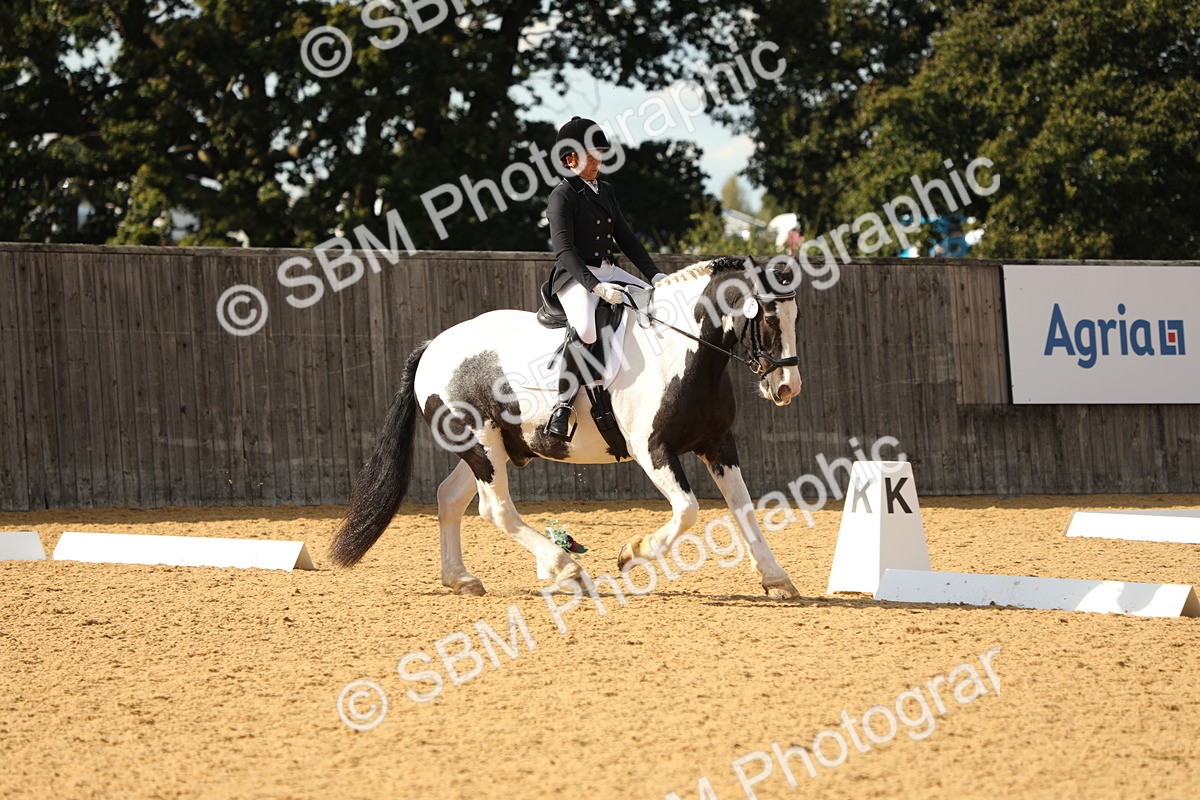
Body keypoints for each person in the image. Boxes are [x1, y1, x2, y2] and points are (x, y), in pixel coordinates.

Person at [542, 116, 666, 440]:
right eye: (590, 153)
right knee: (585, 327)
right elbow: (564, 252)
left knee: (652, 303)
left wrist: (655, 276)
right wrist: (594, 286)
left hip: (609, 269)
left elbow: (626, 238)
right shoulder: (562, 196)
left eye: (599, 152)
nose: (598, 159)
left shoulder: (606, 191)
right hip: (574, 276)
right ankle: (563, 405)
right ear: (570, 159)